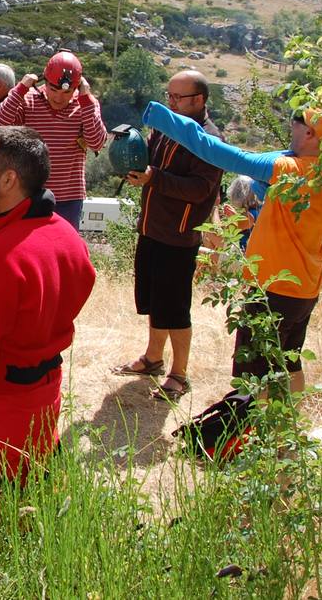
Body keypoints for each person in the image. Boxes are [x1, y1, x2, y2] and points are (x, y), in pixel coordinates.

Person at [141, 101, 322, 397]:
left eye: (297, 120)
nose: (291, 124)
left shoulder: (288, 170)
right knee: (288, 362)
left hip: (273, 287)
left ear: (311, 134)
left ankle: (250, 436)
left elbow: (218, 152)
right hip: (304, 287)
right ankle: (287, 434)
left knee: (253, 375)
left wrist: (162, 118)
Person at [0, 126, 95, 489]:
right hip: (45, 395)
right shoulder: (67, 236)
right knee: (31, 494)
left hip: (0, 407)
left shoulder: (3, 257)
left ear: (9, 179)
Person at [110, 71, 222, 402]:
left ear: (199, 100)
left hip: (179, 235)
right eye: (168, 96)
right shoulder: (166, 126)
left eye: (177, 98)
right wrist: (131, 151)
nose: (170, 103)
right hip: (151, 227)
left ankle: (179, 374)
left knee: (175, 308)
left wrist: (154, 178)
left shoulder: (209, 138)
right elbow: (149, 158)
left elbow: (201, 189)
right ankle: (153, 359)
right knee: (154, 300)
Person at [0, 50, 106, 230]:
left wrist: (85, 99)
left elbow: (97, 142)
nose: (59, 97)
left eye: (66, 92)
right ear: (45, 81)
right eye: (53, 89)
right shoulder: (28, 100)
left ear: (77, 88)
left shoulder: (85, 105)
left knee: (63, 250)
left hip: (68, 199)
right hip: (29, 193)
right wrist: (20, 89)